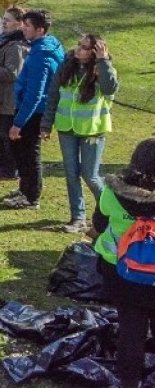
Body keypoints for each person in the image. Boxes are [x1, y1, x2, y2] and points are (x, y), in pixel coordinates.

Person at [92, 139, 155, 388]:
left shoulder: (113, 192)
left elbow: (98, 225)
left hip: (123, 274)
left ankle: (129, 382)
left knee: (131, 330)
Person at [42, 34, 118, 233]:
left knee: (90, 175)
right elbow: (53, 95)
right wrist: (46, 124)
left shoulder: (101, 69)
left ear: (94, 52)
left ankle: (113, 213)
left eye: (84, 47)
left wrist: (103, 61)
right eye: (78, 45)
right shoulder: (67, 65)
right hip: (67, 128)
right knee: (71, 173)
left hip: (93, 130)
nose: (78, 49)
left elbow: (110, 87)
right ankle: (78, 218)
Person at [5, 9, 65, 211]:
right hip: (34, 108)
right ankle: (25, 189)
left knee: (30, 153)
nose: (23, 28)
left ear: (40, 30)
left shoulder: (41, 54)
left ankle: (31, 196)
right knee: (23, 152)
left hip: (34, 111)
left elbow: (35, 93)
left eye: (27, 26)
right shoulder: (47, 45)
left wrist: (18, 123)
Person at [0, 7, 28, 180]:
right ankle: (1, 161)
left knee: (6, 133)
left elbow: (11, 73)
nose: (3, 23)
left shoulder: (16, 46)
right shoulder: (4, 41)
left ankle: (10, 168)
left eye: (7, 20)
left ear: (19, 24)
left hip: (8, 98)